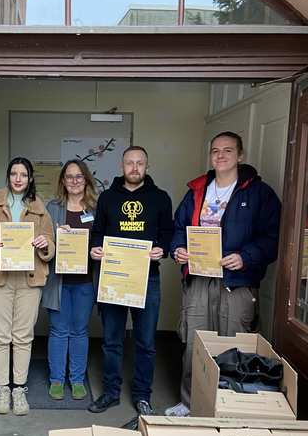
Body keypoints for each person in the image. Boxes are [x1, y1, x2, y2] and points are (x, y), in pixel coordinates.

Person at [167, 131, 281, 417]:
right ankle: (190, 402)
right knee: (195, 341)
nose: (220, 155)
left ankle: (231, 405)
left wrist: (245, 257)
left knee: (234, 341)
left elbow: (273, 237)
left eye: (227, 150)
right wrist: (178, 248)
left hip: (236, 283)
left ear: (240, 156)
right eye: (215, 150)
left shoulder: (258, 193)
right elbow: (178, 227)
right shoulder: (197, 190)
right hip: (199, 278)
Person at [89, 145, 174, 414]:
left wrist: (163, 247)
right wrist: (95, 249)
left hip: (147, 279)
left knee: (145, 342)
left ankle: (142, 395)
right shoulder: (106, 198)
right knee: (112, 340)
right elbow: (97, 233)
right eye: (129, 163)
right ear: (121, 166)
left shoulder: (160, 198)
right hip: (114, 277)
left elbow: (168, 232)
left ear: (147, 166)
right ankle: (111, 393)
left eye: (140, 163)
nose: (134, 167)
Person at [0, 157, 55, 415]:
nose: (18, 178)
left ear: (30, 178)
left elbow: (50, 241)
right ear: (8, 176)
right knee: (0, 335)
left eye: (23, 174)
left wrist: (43, 243)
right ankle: (2, 388)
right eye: (13, 173)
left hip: (28, 277)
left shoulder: (39, 207)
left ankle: (19, 389)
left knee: (23, 336)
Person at [42, 160, 98, 400]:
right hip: (59, 281)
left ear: (86, 179)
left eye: (79, 176)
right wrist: (56, 238)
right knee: (58, 331)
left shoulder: (96, 208)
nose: (74, 181)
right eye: (69, 177)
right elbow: (42, 241)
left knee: (79, 331)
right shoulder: (52, 207)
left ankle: (76, 379)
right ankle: (56, 379)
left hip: (85, 281)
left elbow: (103, 240)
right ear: (63, 181)